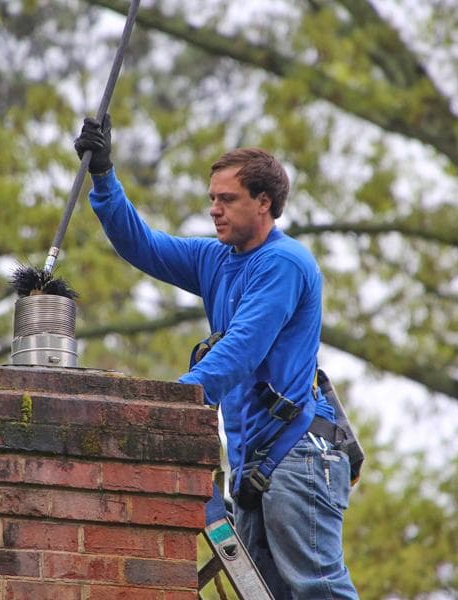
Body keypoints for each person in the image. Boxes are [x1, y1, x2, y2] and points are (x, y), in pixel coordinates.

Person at [75, 115, 358, 599]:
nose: (214, 210)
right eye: (212, 199)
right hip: (255, 464)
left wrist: (176, 402)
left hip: (295, 454)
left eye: (227, 199)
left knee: (318, 591)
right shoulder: (217, 260)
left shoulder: (283, 263)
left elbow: (241, 350)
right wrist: (104, 175)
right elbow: (141, 245)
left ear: (263, 203)